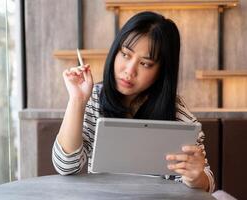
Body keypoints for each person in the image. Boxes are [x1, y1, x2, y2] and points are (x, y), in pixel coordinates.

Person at [52, 11, 215, 192]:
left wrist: (196, 177)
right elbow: (66, 166)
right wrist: (77, 100)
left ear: (162, 71)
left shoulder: (177, 112)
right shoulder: (94, 99)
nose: (129, 71)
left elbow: (207, 182)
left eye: (145, 63)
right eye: (125, 55)